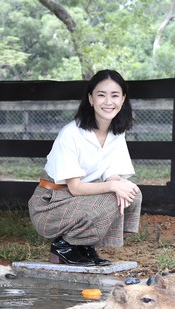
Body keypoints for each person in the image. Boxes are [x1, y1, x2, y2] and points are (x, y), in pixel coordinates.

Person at [28, 69, 142, 266]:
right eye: (101, 95)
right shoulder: (71, 133)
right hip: (51, 203)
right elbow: (75, 188)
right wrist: (113, 187)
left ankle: (83, 245)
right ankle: (63, 246)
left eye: (115, 95)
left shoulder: (116, 132)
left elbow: (111, 174)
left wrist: (119, 184)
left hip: (78, 201)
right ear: (91, 99)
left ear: (123, 99)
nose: (108, 102)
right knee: (110, 198)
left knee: (132, 192)